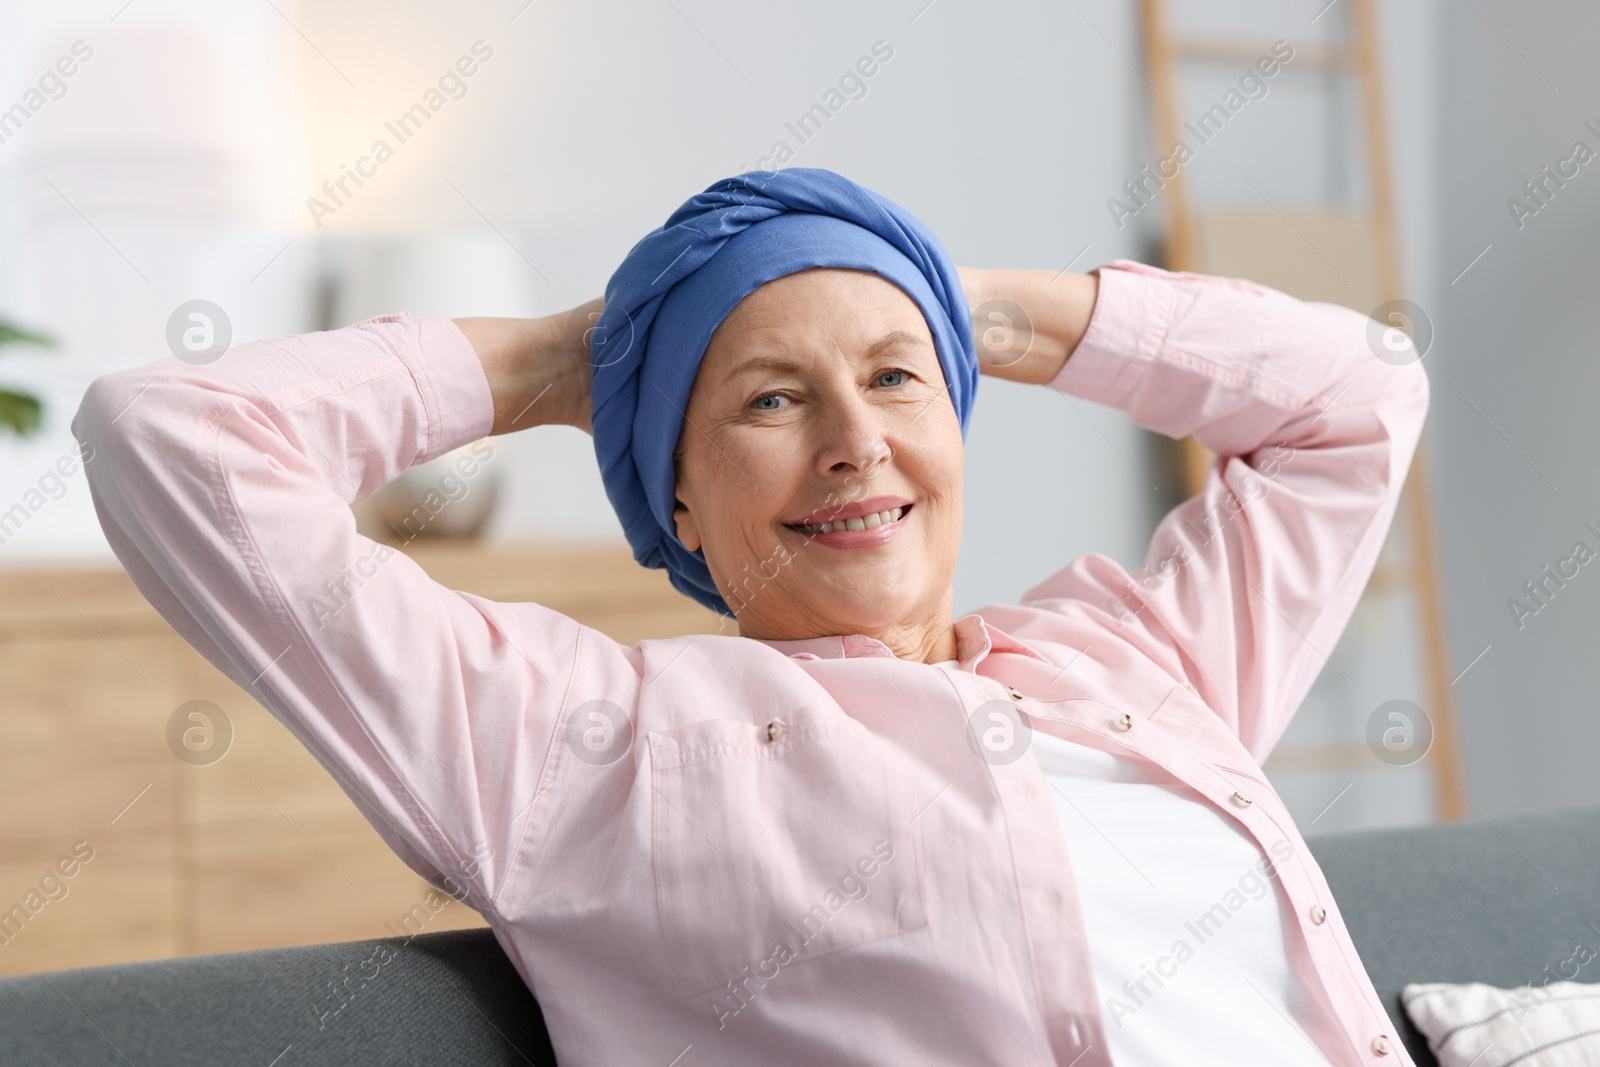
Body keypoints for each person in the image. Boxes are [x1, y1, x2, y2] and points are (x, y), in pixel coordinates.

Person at [74, 167, 1427, 1066]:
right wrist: (563, 360)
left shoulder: (1132, 663)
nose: (855, 445)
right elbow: (167, 436)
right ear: (673, 485)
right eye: (771, 399)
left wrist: (972, 309)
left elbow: (1358, 397)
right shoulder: (572, 751)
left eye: (899, 381)